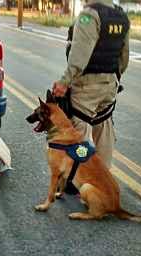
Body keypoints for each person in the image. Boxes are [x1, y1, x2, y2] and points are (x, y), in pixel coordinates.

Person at [52, 0, 130, 169]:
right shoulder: (121, 16)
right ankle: (102, 174)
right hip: (110, 85)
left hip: (87, 86)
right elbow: (124, 58)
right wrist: (113, 79)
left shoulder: (89, 15)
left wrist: (64, 82)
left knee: (79, 133)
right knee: (104, 129)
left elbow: (80, 56)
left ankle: (77, 177)